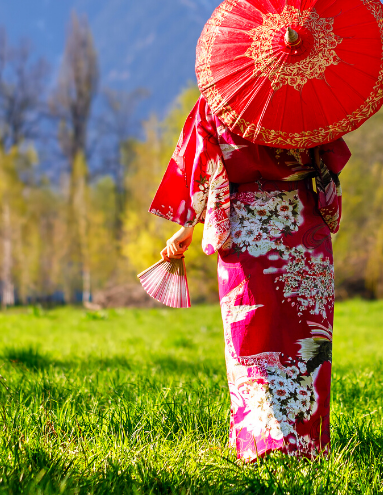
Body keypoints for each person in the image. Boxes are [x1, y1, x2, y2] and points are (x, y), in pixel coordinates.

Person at [148, 94, 349, 462]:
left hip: (247, 231)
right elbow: (330, 165)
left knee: (250, 337)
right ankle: (307, 446)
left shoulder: (217, 101)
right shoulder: (309, 98)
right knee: (306, 343)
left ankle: (257, 443)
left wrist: (187, 226)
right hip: (302, 228)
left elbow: (201, 170)